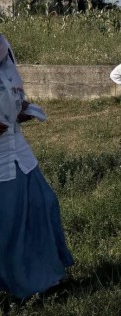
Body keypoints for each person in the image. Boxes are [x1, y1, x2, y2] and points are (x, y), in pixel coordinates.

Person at [0, 34, 74, 298]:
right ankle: (23, 284)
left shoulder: (3, 50)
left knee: (43, 202)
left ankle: (46, 277)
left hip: (17, 149)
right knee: (9, 221)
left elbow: (11, 92)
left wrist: (19, 110)